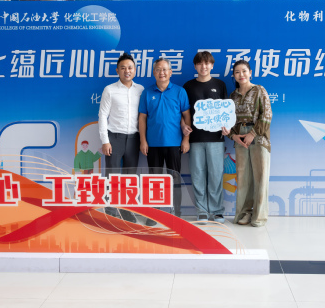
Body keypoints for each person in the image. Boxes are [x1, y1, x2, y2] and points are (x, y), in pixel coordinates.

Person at [222, 60, 272, 227]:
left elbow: (267, 115)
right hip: (240, 138)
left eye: (244, 71)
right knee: (243, 178)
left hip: (259, 136)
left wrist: (252, 134)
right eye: (237, 72)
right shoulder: (233, 96)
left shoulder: (259, 90)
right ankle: (245, 213)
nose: (241, 75)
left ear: (250, 73)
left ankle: (259, 216)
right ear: (234, 76)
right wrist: (233, 136)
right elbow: (229, 121)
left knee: (260, 176)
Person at [139, 58, 190, 217]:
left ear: (170, 72)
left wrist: (186, 140)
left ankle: (176, 213)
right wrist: (143, 141)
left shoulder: (180, 91)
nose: (162, 72)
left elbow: (186, 115)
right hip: (153, 144)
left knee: (175, 179)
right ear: (154, 73)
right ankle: (155, 213)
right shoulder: (147, 92)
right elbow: (142, 118)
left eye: (165, 69)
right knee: (154, 180)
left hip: (174, 143)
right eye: (158, 69)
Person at [183, 51, 228, 223]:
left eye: (207, 63)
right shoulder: (188, 86)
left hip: (216, 139)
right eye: (200, 63)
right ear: (195, 66)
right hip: (195, 139)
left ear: (212, 65)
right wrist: (184, 127)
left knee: (216, 175)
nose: (204, 66)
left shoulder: (220, 84)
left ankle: (216, 211)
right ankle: (201, 210)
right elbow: (183, 112)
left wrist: (227, 127)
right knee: (197, 175)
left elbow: (226, 111)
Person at [98, 53, 144, 223]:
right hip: (114, 138)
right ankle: (110, 211)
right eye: (123, 68)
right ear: (117, 70)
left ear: (135, 70)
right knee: (112, 175)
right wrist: (105, 140)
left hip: (134, 138)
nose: (127, 71)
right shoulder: (110, 90)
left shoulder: (140, 90)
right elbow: (102, 115)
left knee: (130, 176)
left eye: (130, 67)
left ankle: (127, 211)